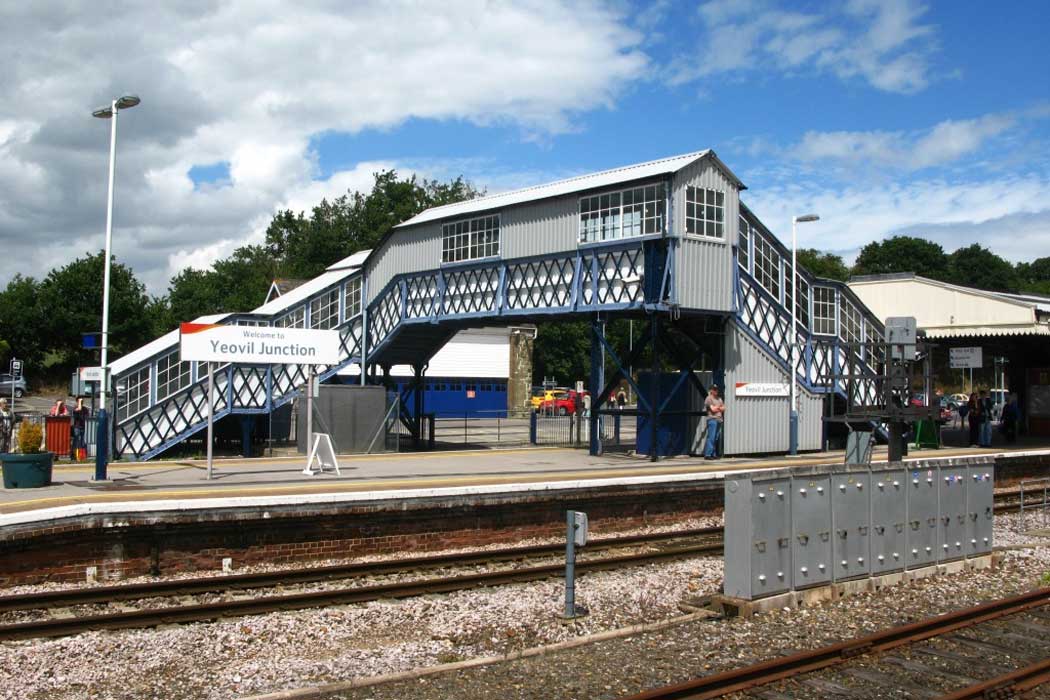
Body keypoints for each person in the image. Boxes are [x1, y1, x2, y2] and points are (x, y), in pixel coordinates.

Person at [703, 386, 724, 460]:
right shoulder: (709, 398)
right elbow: (713, 410)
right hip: (712, 419)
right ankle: (708, 454)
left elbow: (724, 408)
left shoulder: (719, 398)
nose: (716, 391)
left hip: (719, 420)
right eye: (714, 389)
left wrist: (717, 407)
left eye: (717, 389)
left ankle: (713, 454)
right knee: (711, 437)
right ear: (711, 390)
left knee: (716, 438)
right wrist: (719, 407)